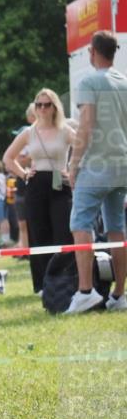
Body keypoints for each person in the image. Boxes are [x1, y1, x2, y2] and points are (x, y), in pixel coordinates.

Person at [66, 30, 127, 313]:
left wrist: (73, 164)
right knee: (117, 229)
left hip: (96, 166)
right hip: (122, 166)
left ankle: (85, 291)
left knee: (80, 225)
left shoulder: (89, 81)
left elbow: (86, 126)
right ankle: (119, 295)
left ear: (92, 51)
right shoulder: (124, 83)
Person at [4, 88, 76, 294]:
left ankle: (65, 280)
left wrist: (72, 170)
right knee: (38, 233)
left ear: (55, 107)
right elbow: (8, 158)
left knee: (63, 232)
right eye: (39, 105)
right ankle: (42, 284)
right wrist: (24, 174)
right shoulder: (28, 132)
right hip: (36, 184)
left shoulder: (65, 130)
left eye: (47, 104)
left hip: (60, 183)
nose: (42, 109)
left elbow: (84, 147)